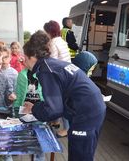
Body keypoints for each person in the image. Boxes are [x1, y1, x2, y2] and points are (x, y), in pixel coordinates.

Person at [22, 30, 106, 161]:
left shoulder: (46, 71)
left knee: (80, 155)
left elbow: (54, 110)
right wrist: (36, 106)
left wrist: (33, 109)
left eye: (25, 58)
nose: (24, 61)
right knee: (85, 152)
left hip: (87, 112)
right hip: (92, 107)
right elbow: (57, 100)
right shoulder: (52, 64)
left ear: (32, 56)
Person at [43, 20, 71, 137]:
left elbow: (52, 62)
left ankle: (67, 129)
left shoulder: (53, 42)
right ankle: (56, 121)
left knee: (62, 102)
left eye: (46, 31)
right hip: (67, 73)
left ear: (49, 31)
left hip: (60, 76)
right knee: (62, 100)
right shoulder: (61, 41)